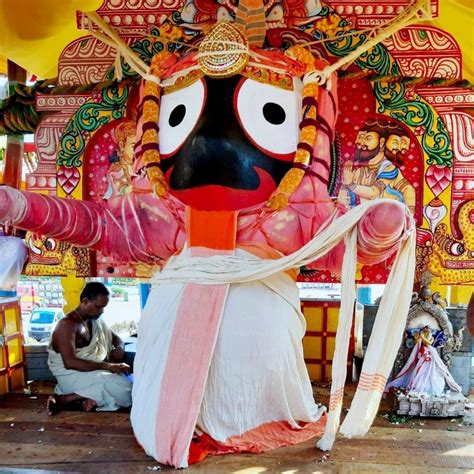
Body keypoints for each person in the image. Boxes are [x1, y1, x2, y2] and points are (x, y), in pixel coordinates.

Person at [46, 282, 132, 415]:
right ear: (85, 301)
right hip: (71, 375)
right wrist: (108, 366)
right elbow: (70, 363)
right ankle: (66, 398)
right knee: (126, 388)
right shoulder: (67, 325)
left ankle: (87, 399)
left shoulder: (95, 320)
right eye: (98, 307)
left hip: (93, 373)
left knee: (130, 383)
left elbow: (117, 339)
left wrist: (119, 348)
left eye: (104, 307)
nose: (102, 311)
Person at [338, 118, 416, 214]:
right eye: (360, 138)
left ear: (382, 142)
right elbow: (343, 199)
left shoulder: (389, 168)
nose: (360, 144)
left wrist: (350, 184)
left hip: (386, 221)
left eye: (367, 138)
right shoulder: (360, 171)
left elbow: (374, 192)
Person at [386, 325, 462, 396]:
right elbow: (418, 344)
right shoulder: (420, 337)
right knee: (419, 372)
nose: (428, 332)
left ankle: (431, 388)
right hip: (422, 355)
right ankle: (418, 386)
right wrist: (419, 338)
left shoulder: (430, 338)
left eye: (429, 331)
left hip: (431, 355)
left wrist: (423, 337)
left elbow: (429, 343)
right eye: (426, 331)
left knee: (436, 371)